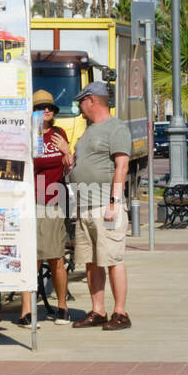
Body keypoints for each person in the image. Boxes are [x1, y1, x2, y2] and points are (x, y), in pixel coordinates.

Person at [67, 81, 133, 330]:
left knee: (113, 258)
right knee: (91, 260)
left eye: (81, 102)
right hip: (84, 205)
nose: (79, 108)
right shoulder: (88, 131)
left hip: (105, 204)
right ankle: (98, 311)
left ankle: (120, 312)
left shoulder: (116, 129)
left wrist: (114, 202)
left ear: (92, 100)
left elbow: (121, 167)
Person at [19, 89, 74, 327]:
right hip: (29, 202)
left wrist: (67, 152)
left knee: (55, 257)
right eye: (41, 108)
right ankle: (26, 311)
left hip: (53, 202)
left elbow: (70, 167)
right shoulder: (26, 136)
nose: (46, 111)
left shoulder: (59, 133)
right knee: (29, 257)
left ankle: (62, 307)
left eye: (50, 108)